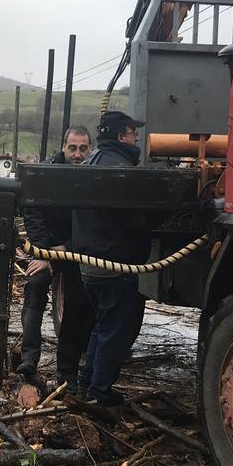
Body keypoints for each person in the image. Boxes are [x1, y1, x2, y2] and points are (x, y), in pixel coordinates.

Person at [72, 111, 151, 408]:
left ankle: (87, 385)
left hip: (91, 266)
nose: (136, 138)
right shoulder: (120, 169)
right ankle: (99, 395)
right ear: (121, 136)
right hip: (114, 265)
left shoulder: (92, 162)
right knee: (116, 331)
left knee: (102, 327)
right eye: (133, 133)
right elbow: (133, 221)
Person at [17, 126, 94, 388]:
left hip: (75, 251)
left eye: (83, 148)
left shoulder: (95, 177)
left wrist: (67, 249)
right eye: (73, 148)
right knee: (35, 286)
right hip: (47, 249)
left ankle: (67, 374)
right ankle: (28, 359)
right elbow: (33, 212)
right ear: (64, 147)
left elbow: (94, 224)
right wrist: (44, 253)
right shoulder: (48, 172)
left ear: (90, 149)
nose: (77, 154)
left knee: (76, 303)